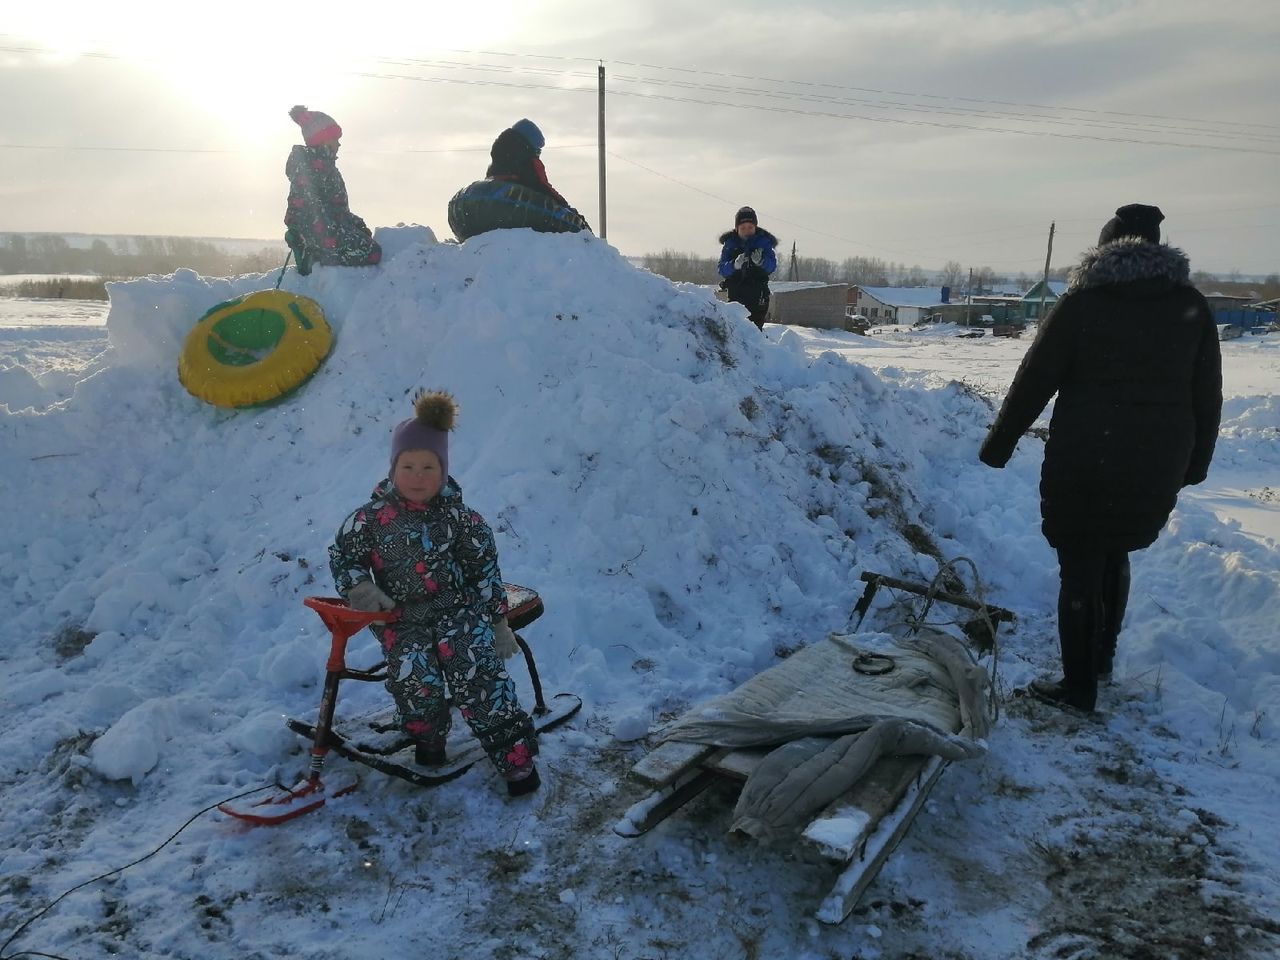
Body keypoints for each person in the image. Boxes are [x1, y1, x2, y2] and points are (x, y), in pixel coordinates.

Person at [979, 203, 1222, 713]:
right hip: (1158, 459)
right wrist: (1196, 461)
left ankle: (1078, 687)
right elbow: (1207, 393)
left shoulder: (1084, 303)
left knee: (1081, 560)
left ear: (1105, 246)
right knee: (1115, 551)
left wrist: (999, 444)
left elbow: (1034, 380)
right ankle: (1102, 661)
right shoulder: (1191, 305)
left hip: (1088, 454)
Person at [328, 390, 540, 796]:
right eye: (408, 466)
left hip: (458, 611)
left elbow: (483, 568)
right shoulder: (368, 519)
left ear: (443, 471)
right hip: (400, 616)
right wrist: (360, 587)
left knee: (476, 672)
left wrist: (496, 619)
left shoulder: (460, 518)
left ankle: (513, 754)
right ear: (393, 469)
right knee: (414, 678)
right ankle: (428, 739)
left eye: (429, 466)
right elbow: (344, 556)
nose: (418, 476)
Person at [284, 105, 382, 276]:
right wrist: (322, 238)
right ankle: (312, 253)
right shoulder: (311, 169)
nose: (339, 143)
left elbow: (336, 208)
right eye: (335, 139)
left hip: (327, 227)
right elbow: (309, 209)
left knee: (365, 239)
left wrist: (354, 223)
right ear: (322, 139)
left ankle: (319, 250)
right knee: (372, 252)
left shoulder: (326, 167)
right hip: (317, 232)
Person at [486, 118, 579, 214]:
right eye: (538, 150)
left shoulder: (496, 161)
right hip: (519, 203)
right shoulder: (531, 162)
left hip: (494, 203)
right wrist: (565, 207)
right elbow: (544, 186)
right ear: (531, 144)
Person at [718, 207, 778, 330]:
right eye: (743, 228)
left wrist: (761, 262)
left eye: (750, 227)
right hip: (735, 296)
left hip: (758, 297)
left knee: (754, 332)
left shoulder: (763, 243)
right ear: (737, 229)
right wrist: (734, 265)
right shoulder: (730, 244)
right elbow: (721, 269)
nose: (746, 231)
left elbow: (771, 266)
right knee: (735, 330)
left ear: (755, 227)